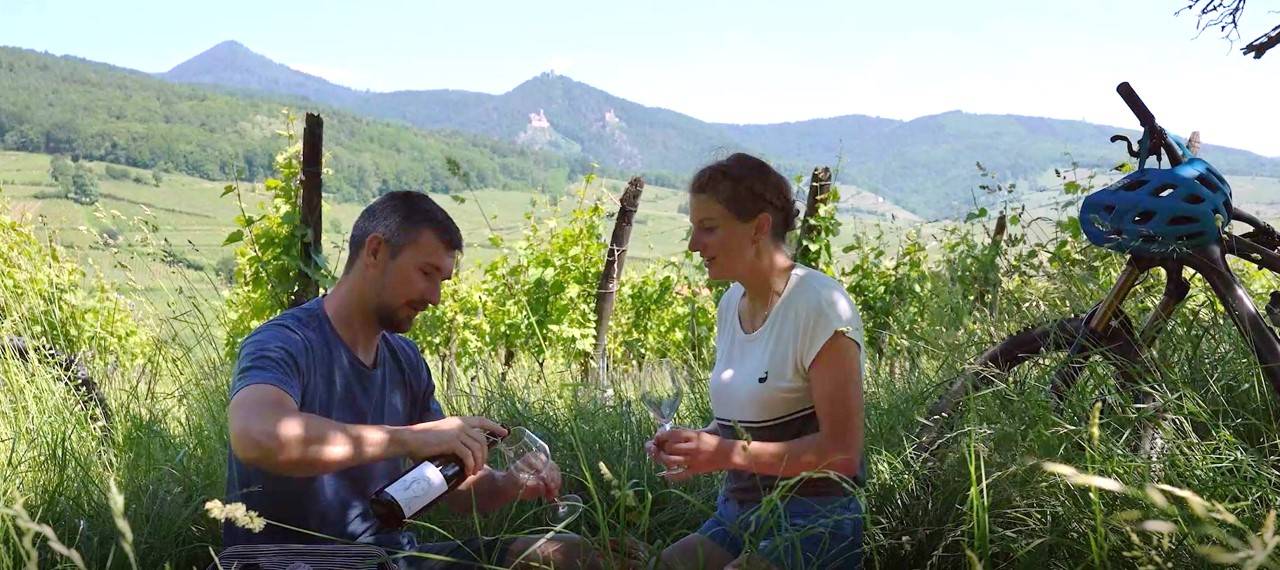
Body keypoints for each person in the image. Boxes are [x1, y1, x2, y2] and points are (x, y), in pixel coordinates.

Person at [224, 191, 597, 569]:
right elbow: (258, 436)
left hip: (395, 559)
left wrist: (507, 485)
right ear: (375, 252)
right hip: (300, 562)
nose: (435, 297)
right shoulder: (286, 342)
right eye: (426, 274)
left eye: (443, 281)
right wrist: (408, 437)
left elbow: (445, 486)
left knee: (571, 554)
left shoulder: (405, 360)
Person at [649, 153, 866, 569]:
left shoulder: (820, 305)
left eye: (708, 228)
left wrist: (725, 453)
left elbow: (842, 453)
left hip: (816, 520)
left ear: (760, 227)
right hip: (738, 513)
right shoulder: (731, 303)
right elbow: (747, 423)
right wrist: (698, 446)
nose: (694, 245)